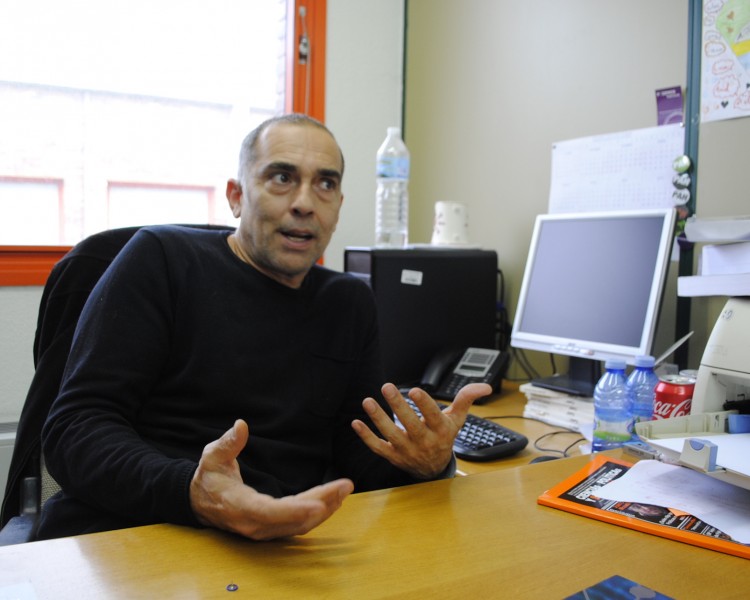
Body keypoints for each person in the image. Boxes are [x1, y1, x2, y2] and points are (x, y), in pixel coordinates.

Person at [36, 114, 490, 541]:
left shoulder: (349, 302)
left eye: (325, 184)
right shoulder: (162, 259)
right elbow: (75, 428)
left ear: (338, 206)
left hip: (281, 541)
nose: (304, 203)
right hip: (142, 529)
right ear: (236, 196)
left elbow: (355, 457)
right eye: (282, 177)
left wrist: (426, 463)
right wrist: (192, 492)